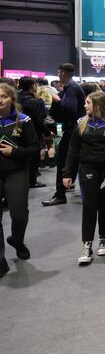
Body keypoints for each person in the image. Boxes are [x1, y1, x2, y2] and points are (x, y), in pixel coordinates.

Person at [63, 91, 105, 265]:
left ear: (98, 104)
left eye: (88, 103)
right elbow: (73, 150)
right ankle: (87, 245)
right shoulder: (81, 123)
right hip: (87, 169)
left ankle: (104, 238)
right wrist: (68, 173)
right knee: (89, 206)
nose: (85, 106)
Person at [0, 83, 38, 277]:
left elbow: (34, 149)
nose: (0, 100)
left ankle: (17, 240)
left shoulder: (24, 121)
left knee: (19, 214)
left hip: (16, 172)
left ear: (11, 99)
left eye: (3, 96)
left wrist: (14, 151)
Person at [42, 63, 86, 206]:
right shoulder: (71, 87)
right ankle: (67, 185)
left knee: (63, 162)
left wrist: (57, 101)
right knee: (70, 161)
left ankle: (60, 194)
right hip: (75, 129)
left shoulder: (72, 88)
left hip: (72, 130)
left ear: (62, 73)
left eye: (59, 72)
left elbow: (70, 110)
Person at [17, 77, 47, 188]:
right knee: (33, 156)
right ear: (32, 86)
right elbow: (38, 120)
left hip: (16, 129)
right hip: (33, 131)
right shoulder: (33, 101)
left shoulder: (15, 98)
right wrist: (47, 132)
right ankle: (32, 181)